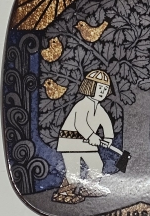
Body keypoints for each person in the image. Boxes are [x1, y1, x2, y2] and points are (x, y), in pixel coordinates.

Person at [52, 70, 115, 204]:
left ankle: (89, 187)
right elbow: (80, 123)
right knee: (73, 170)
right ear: (90, 87)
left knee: (97, 164)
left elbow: (106, 123)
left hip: (87, 143)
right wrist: (91, 135)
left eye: (105, 89)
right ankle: (64, 192)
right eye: (100, 88)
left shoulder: (98, 108)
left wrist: (108, 138)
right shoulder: (82, 105)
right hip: (70, 142)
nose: (103, 92)